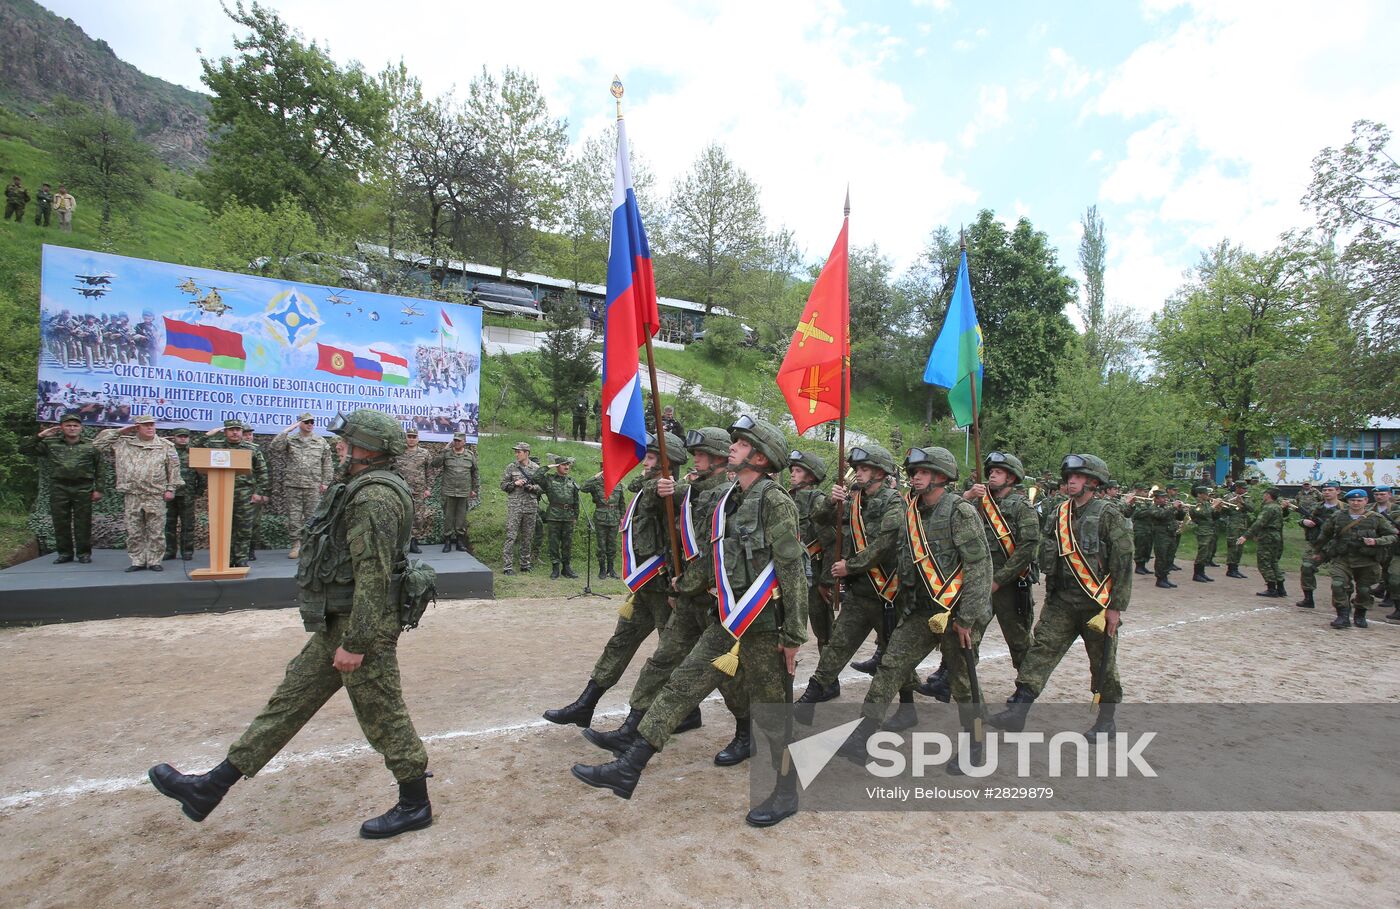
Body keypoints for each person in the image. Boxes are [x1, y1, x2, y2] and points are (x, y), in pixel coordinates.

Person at [148, 410, 433, 839]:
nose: (340, 447)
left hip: (362, 628)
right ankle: (212, 786)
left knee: (384, 715)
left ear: (368, 450)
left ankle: (415, 804)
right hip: (339, 622)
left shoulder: (375, 498)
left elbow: (373, 576)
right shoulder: (357, 486)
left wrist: (356, 643)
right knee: (290, 699)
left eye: (347, 442)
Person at [570, 416, 807, 827]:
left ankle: (785, 791)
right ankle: (630, 766)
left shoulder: (775, 500)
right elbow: (717, 558)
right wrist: (686, 583)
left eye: (741, 443)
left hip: (766, 625)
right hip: (728, 619)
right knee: (680, 686)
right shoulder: (731, 497)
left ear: (762, 457)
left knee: (772, 711)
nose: (732, 447)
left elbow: (791, 569)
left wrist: (794, 635)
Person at [582, 428, 748, 765]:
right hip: (687, 597)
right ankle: (633, 726)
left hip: (717, 600)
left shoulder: (733, 495)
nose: (695, 458)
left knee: (726, 676)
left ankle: (747, 731)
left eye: (701, 453)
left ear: (717, 459)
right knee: (662, 661)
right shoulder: (689, 492)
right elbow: (665, 514)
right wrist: (663, 488)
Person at [833, 446, 992, 769]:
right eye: (913, 473)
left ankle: (975, 744)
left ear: (940, 476)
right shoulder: (910, 510)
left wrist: (967, 619)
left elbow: (979, 567)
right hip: (919, 611)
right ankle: (862, 737)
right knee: (890, 667)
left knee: (962, 681)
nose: (914, 478)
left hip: (956, 611)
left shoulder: (959, 511)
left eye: (921, 472)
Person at [543, 433, 686, 729]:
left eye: (649, 457)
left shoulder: (669, 494)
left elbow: (678, 540)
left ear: (666, 463)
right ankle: (586, 704)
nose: (642, 463)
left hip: (663, 586)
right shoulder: (647, 489)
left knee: (670, 653)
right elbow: (640, 492)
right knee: (619, 643)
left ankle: (684, 713)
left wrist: (676, 582)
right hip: (645, 587)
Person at [989, 454, 1129, 738]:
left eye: (1077, 477)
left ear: (1093, 481)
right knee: (1039, 653)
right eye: (1069, 477)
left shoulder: (1109, 514)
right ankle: (1018, 711)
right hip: (1061, 602)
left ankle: (1106, 721)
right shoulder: (1059, 513)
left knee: (1102, 664)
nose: (1071, 481)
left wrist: (1116, 607)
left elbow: (1123, 562)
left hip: (1097, 605)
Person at [795, 443, 902, 706]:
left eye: (865, 468)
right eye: (857, 468)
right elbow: (820, 518)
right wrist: (833, 501)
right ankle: (811, 695)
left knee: (895, 655)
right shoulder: (854, 501)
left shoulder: (894, 502)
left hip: (887, 592)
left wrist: (848, 567)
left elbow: (883, 545)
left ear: (880, 472)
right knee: (836, 648)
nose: (859, 473)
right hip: (860, 592)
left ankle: (907, 706)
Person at [94, 415, 183, 572]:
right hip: (133, 495)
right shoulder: (124, 443)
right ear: (137, 427)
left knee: (156, 531)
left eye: (152, 425)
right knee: (134, 531)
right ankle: (138, 560)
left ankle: (155, 560)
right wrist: (121, 431)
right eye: (145, 425)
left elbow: (173, 469)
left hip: (155, 494)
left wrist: (171, 489)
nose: (150, 428)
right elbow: (98, 444)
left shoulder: (165, 445)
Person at [20, 412, 102, 564]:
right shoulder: (51, 444)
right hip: (59, 486)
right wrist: (41, 435)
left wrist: (98, 489)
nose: (72, 428)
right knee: (60, 521)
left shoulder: (90, 445)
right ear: (62, 428)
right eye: (68, 425)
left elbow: (99, 468)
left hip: (83, 487)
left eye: (75, 426)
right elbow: (25, 449)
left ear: (81, 428)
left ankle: (84, 554)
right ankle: (65, 553)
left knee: (83, 522)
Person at [1314, 489, 1396, 628]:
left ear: (1365, 501)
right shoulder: (1338, 516)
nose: (1356, 503)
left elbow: (1392, 536)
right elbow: (1325, 534)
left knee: (1364, 590)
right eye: (1352, 500)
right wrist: (1318, 552)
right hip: (1342, 558)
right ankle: (1343, 615)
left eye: (1359, 500)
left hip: (1366, 560)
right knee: (1338, 585)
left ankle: (1360, 614)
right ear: (1348, 502)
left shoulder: (1376, 518)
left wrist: (1376, 541)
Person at [201, 420, 269, 568]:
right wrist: (207, 435)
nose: (235, 432)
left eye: (238, 430)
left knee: (243, 529)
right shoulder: (216, 446)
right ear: (225, 432)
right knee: (223, 529)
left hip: (244, 494)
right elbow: (194, 448)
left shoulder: (252, 449)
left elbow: (262, 472)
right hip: (220, 493)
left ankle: (241, 558)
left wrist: (259, 492)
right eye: (231, 430)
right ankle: (225, 559)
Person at [269, 413, 333, 559]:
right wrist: (288, 430)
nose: (310, 424)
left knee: (313, 517)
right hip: (293, 484)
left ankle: (310, 545)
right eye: (306, 422)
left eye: (312, 422)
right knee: (294, 517)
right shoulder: (291, 440)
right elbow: (274, 447)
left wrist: (325, 482)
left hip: (313, 485)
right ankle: (296, 545)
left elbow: (327, 463)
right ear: (300, 424)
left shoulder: (320, 441)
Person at [787, 450, 833, 652]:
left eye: (798, 470)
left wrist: (826, 582)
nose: (792, 474)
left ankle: (828, 680)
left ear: (811, 476)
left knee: (824, 632)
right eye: (792, 470)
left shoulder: (817, 500)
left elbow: (830, 542)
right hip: (791, 574)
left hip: (814, 576)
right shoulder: (786, 497)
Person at [1295, 480, 1341, 608]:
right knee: (1307, 567)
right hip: (1316, 544)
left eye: (1330, 490)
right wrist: (1304, 522)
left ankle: (1343, 603)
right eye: (1324, 490)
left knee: (1341, 576)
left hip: (1337, 545)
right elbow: (1303, 519)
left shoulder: (1344, 508)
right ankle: (1308, 598)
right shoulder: (1316, 507)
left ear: (1338, 491)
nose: (1327, 492)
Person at [431, 431, 478, 553]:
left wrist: (474, 489)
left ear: (464, 442)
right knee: (448, 517)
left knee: (461, 518)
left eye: (459, 440)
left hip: (463, 491)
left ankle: (460, 541)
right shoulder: (447, 454)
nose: (456, 442)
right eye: (455, 440)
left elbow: (475, 473)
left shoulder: (469, 455)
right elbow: (435, 464)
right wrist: (444, 450)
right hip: (449, 490)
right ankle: (447, 541)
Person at [536, 455, 581, 578]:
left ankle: (566, 568)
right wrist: (548, 467)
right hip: (554, 516)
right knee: (554, 543)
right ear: (557, 466)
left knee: (567, 544)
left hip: (568, 517)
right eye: (563, 464)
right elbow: (536, 477)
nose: (566, 467)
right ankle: (555, 568)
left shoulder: (572, 481)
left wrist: (575, 517)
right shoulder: (549, 480)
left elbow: (576, 501)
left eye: (568, 465)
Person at [163, 428, 205, 561]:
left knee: (188, 525)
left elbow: (201, 474)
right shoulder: (167, 452)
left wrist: (199, 491)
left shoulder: (193, 453)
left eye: (185, 437)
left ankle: (187, 551)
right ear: (174, 437)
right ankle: (169, 551)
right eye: (180, 436)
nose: (183, 439)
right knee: (168, 524)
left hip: (187, 494)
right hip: (169, 493)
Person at [1236, 487, 1286, 598]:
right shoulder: (1277, 507)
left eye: (1265, 494)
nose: (1264, 496)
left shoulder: (1268, 508)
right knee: (1273, 562)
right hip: (1275, 536)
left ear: (1268, 495)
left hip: (1267, 537)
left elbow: (1259, 523)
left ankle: (1272, 588)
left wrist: (1246, 536)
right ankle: (1281, 588)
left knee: (1264, 563)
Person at [500, 442, 541, 574]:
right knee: (511, 536)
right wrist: (514, 483)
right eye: (516, 452)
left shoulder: (536, 468)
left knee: (528, 536)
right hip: (515, 506)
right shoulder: (511, 467)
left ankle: (525, 564)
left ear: (527, 453)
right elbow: (503, 485)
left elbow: (543, 487)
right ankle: (507, 566)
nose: (516, 454)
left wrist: (532, 488)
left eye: (519, 452)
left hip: (530, 506)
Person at [392, 428, 434, 554]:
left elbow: (430, 472)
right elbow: (391, 469)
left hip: (418, 491)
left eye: (414, 437)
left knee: (417, 517)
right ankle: (400, 544)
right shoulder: (398, 452)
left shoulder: (425, 453)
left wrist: (428, 489)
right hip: (401, 489)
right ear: (406, 438)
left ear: (418, 439)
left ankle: (414, 543)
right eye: (409, 436)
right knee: (400, 516)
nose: (411, 439)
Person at [581, 466, 625, 578]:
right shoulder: (596, 483)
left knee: (612, 545)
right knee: (601, 545)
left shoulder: (617, 483)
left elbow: (621, 502)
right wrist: (595, 477)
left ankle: (611, 569)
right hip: (601, 517)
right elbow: (583, 488)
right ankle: (602, 569)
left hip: (614, 517)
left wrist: (622, 517)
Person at [1139, 488, 1186, 589]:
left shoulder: (1167, 507)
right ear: (1156, 499)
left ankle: (1165, 577)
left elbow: (1180, 518)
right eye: (1162, 497)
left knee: (1170, 557)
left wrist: (1180, 509)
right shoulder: (1153, 508)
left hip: (1171, 534)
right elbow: (1161, 516)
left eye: (1165, 497)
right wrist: (1173, 508)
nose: (1165, 499)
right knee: (1161, 558)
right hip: (1161, 536)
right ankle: (1160, 579)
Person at [1189, 486, 1224, 583]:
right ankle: (1197, 574)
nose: (1208, 495)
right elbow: (1202, 513)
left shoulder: (1207, 503)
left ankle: (1202, 573)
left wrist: (1218, 509)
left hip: (1210, 529)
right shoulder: (1195, 503)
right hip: (1202, 530)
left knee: (1207, 552)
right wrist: (1214, 505)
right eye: (1206, 493)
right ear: (1200, 494)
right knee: (1202, 551)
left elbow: (1213, 517)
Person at [1221, 481, 1253, 578]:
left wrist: (1243, 503)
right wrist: (1231, 503)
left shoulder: (1246, 497)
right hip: (1233, 525)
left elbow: (1252, 509)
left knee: (1240, 547)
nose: (1245, 490)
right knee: (1233, 546)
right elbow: (1223, 510)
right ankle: (1231, 569)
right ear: (1238, 488)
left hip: (1243, 525)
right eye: (1243, 488)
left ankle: (1236, 568)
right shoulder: (1228, 496)